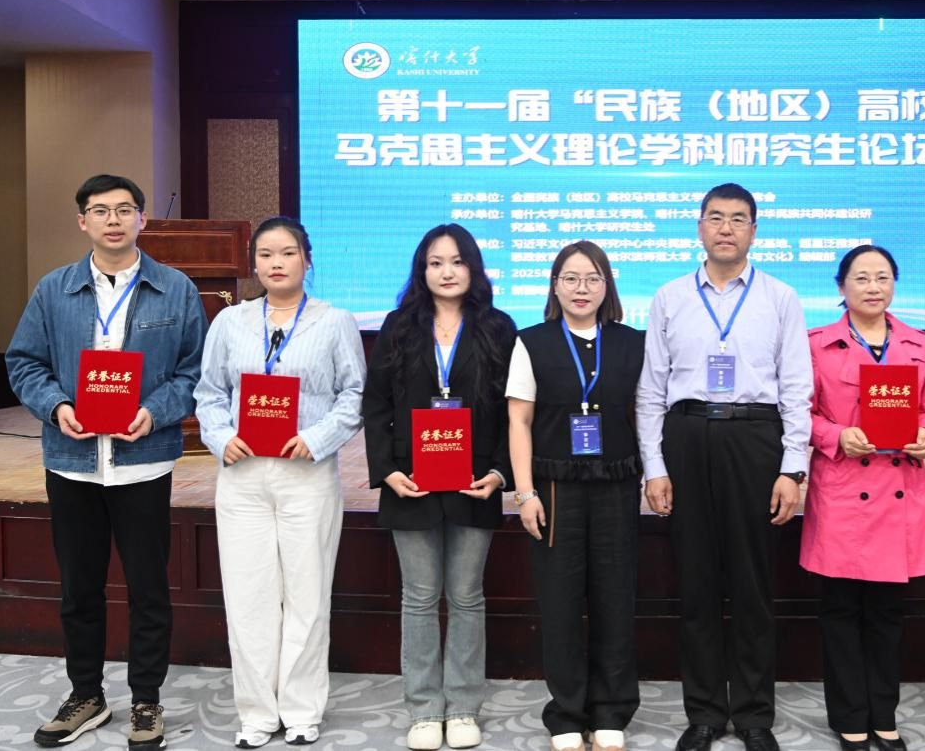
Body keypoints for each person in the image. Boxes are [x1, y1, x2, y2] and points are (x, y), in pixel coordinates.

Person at [5, 174, 207, 749]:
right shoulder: (53, 289)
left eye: (124, 209)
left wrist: (154, 412)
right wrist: (56, 406)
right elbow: (23, 362)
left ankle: (146, 699)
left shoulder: (175, 288)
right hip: (72, 461)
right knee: (79, 588)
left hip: (142, 462)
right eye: (100, 210)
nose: (113, 220)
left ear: (142, 218)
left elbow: (193, 371)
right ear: (83, 221)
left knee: (148, 589)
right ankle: (86, 696)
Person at [637, 183, 812, 751]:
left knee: (752, 584)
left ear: (754, 231)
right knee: (697, 583)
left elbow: (797, 387)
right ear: (699, 227)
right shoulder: (669, 297)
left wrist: (792, 468)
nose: (726, 229)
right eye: (716, 218)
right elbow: (651, 390)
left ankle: (755, 714)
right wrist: (654, 467)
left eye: (739, 219)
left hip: (755, 438)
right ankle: (706, 713)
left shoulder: (780, 297)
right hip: (687, 436)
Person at [193, 216, 366, 748]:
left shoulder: (334, 321)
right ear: (254, 263)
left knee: (307, 597)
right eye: (266, 254)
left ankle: (301, 711)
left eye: (288, 252)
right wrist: (221, 437)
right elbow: (209, 393)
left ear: (307, 260)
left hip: (306, 474)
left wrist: (317, 437)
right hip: (243, 475)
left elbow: (353, 394)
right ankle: (256, 714)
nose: (276, 263)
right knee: (249, 599)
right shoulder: (230, 322)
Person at [361, 223, 516, 751]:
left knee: (467, 595)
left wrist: (500, 473)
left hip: (475, 481)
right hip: (411, 481)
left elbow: (513, 411)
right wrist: (386, 470)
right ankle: (425, 709)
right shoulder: (399, 326)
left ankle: (464, 706)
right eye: (435, 263)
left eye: (456, 261)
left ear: (473, 267)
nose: (446, 272)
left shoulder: (498, 328)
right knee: (420, 596)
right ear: (421, 270)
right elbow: (376, 404)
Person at [507, 241, 646, 751]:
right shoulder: (532, 342)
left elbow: (646, 413)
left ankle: (611, 709)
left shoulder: (632, 343)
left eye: (592, 278)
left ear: (607, 285)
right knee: (561, 602)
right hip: (554, 489)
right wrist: (525, 493)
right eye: (570, 278)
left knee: (615, 598)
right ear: (554, 285)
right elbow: (519, 422)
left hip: (616, 484)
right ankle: (566, 713)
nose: (581, 288)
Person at [800, 245, 925, 751]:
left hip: (898, 490)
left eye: (883, 277)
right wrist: (836, 436)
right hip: (843, 489)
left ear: (894, 284)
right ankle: (850, 717)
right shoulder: (817, 344)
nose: (873, 287)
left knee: (886, 612)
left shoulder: (916, 342)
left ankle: (884, 715)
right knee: (841, 611)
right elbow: (800, 411)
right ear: (842, 287)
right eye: (861, 278)